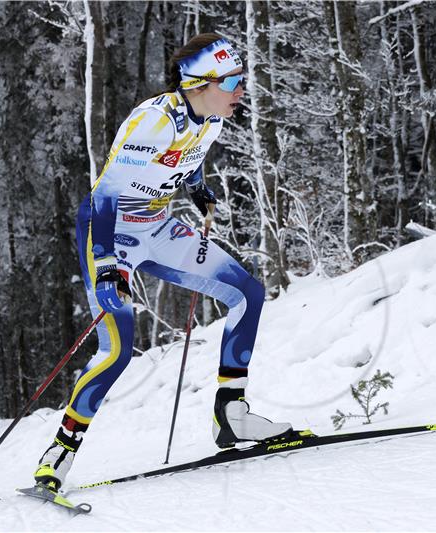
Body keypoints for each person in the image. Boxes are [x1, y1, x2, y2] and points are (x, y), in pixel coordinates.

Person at [33, 33, 293, 492]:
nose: (241, 90)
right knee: (118, 347)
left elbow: (185, 159)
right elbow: (106, 194)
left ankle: (231, 416)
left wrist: (196, 189)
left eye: (242, 79)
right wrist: (108, 262)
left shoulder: (212, 116)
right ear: (199, 84)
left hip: (158, 224)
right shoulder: (153, 121)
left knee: (247, 293)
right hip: (110, 231)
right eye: (232, 81)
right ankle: (60, 453)